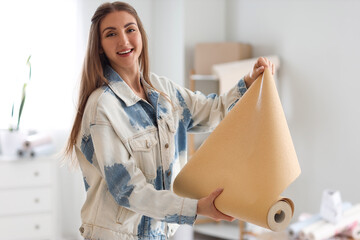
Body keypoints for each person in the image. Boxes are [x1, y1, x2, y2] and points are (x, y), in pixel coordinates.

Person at [65, 1, 275, 240]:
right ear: (100, 46)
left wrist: (249, 80)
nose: (123, 40)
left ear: (141, 35)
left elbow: (214, 110)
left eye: (130, 29)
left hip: (162, 232)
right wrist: (196, 208)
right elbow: (128, 189)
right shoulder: (102, 107)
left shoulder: (164, 91)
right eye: (111, 34)